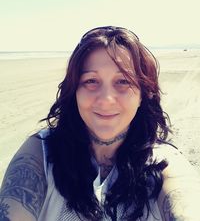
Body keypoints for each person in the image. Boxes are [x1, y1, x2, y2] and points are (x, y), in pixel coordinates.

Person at [0, 26, 200, 221]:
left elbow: (185, 203)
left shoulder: (164, 164)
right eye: (90, 81)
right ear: (75, 91)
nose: (106, 99)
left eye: (123, 81)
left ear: (142, 95)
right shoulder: (41, 152)